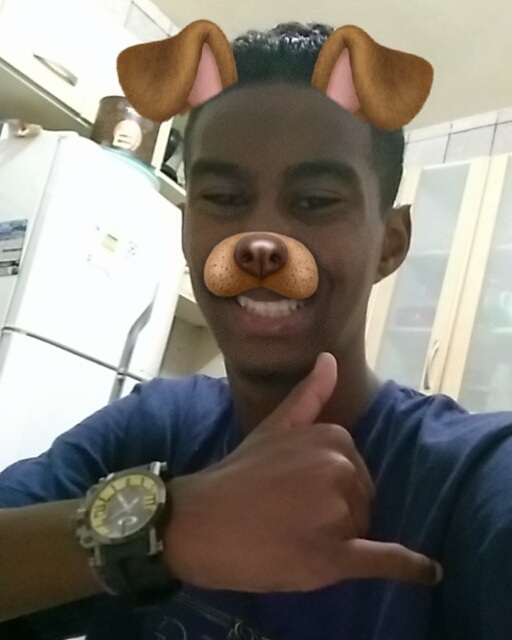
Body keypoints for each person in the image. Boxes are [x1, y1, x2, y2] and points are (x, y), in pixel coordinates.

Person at [0, 21, 511, 640]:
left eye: (315, 201)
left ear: (391, 244)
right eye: (223, 197)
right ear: (187, 228)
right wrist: (169, 526)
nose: (259, 242)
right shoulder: (156, 425)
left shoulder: (468, 478)